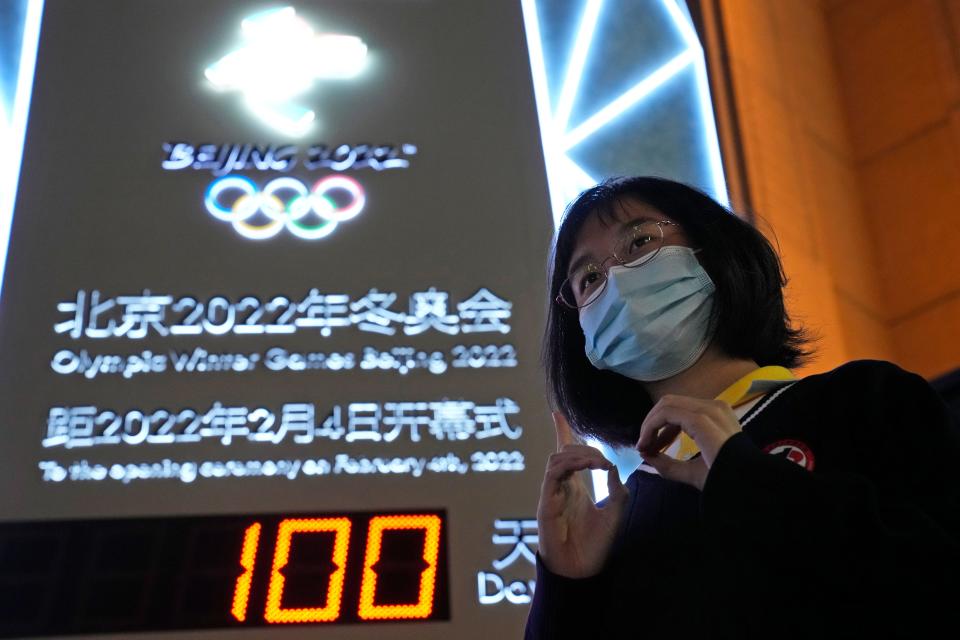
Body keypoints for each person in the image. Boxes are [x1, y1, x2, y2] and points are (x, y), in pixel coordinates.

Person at [524, 176, 960, 639]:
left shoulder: (863, 399)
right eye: (589, 278)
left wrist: (747, 481)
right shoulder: (622, 516)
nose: (617, 280)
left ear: (712, 249)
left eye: (640, 241)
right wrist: (567, 588)